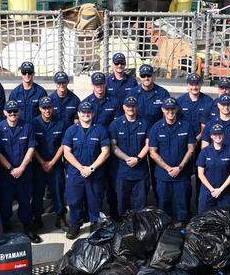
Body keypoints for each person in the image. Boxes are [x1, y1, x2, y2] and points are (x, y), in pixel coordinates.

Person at [62, 102, 111, 239]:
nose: (86, 114)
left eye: (88, 112)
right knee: (74, 200)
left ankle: (95, 223)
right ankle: (75, 225)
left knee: (94, 199)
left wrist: (91, 168)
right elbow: (67, 152)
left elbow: (105, 152)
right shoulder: (71, 130)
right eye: (83, 112)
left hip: (95, 173)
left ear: (93, 114)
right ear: (78, 113)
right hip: (75, 174)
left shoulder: (100, 130)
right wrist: (81, 168)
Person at [0, 101, 41, 242]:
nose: (12, 114)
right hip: (6, 174)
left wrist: (21, 168)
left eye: (15, 111)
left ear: (19, 112)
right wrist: (10, 168)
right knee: (6, 202)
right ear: (4, 112)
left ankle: (28, 226)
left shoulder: (27, 127)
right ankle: (5, 227)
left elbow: (31, 148)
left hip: (24, 172)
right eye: (9, 111)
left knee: (25, 200)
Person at [148, 98, 196, 223]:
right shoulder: (156, 128)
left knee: (183, 206)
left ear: (177, 109)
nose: (170, 111)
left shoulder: (186, 126)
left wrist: (179, 167)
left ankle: (183, 231)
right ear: (163, 110)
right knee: (163, 206)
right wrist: (168, 168)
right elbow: (152, 152)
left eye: (173, 109)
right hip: (163, 176)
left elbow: (191, 149)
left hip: (182, 175)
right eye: (167, 109)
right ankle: (164, 233)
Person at [32, 96, 69, 231]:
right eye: (44, 108)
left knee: (58, 192)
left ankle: (61, 218)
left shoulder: (61, 122)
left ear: (53, 108)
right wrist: (43, 163)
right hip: (38, 164)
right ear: (40, 109)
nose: (47, 110)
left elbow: (63, 144)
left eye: (49, 108)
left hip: (56, 164)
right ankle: (37, 218)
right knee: (37, 194)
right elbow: (32, 147)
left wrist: (52, 162)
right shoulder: (34, 123)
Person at [110, 95, 150, 215]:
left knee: (140, 204)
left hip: (140, 170)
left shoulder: (145, 123)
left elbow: (148, 144)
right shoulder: (115, 124)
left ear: (136, 107)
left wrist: (137, 159)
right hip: (122, 170)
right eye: (128, 106)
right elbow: (113, 147)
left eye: (133, 106)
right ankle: (125, 228)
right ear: (123, 107)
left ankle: (139, 228)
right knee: (123, 203)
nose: (130, 108)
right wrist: (128, 159)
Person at [197, 123, 230, 212]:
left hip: (225, 191)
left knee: (226, 218)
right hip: (207, 191)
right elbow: (200, 174)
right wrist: (212, 190)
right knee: (204, 217)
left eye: (220, 134)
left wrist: (220, 189)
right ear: (211, 136)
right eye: (215, 134)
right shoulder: (204, 152)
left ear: (223, 135)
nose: (217, 136)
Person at [176, 74, 213, 139]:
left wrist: (199, 137)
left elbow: (210, 122)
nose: (194, 87)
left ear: (201, 84)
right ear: (187, 85)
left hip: (203, 139)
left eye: (196, 84)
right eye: (191, 85)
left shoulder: (208, 101)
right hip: (184, 139)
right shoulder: (179, 101)